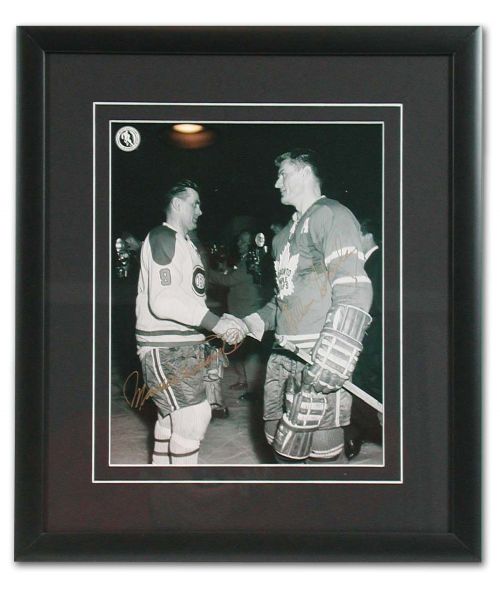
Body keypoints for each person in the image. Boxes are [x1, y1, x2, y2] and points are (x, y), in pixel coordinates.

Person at [243, 150, 373, 463]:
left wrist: (333, 359)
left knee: (323, 463)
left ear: (303, 173)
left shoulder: (331, 214)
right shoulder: (281, 238)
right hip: (282, 358)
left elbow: (353, 288)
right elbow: (283, 298)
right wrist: (256, 320)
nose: (277, 184)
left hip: (317, 356)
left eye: (283, 174)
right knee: (282, 452)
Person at [135, 179, 246, 465]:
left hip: (182, 345)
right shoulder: (163, 236)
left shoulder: (187, 244)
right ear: (177, 204)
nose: (200, 210)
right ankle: (182, 500)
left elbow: (188, 298)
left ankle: (163, 492)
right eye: (194, 203)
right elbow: (162, 301)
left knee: (171, 419)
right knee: (194, 416)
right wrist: (215, 323)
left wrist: (222, 318)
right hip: (167, 346)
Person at [208, 230, 269, 401]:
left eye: (244, 242)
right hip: (241, 311)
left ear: (252, 243)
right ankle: (244, 381)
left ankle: (253, 390)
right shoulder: (246, 260)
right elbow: (233, 276)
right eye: (239, 241)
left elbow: (230, 280)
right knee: (241, 351)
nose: (239, 244)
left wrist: (205, 272)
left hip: (248, 312)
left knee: (249, 353)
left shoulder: (251, 261)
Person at [343, 219, 382, 458]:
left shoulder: (379, 262)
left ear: (367, 236)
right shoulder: (363, 262)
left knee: (369, 384)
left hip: (374, 339)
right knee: (359, 383)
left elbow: (377, 304)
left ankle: (373, 430)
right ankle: (359, 431)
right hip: (363, 336)